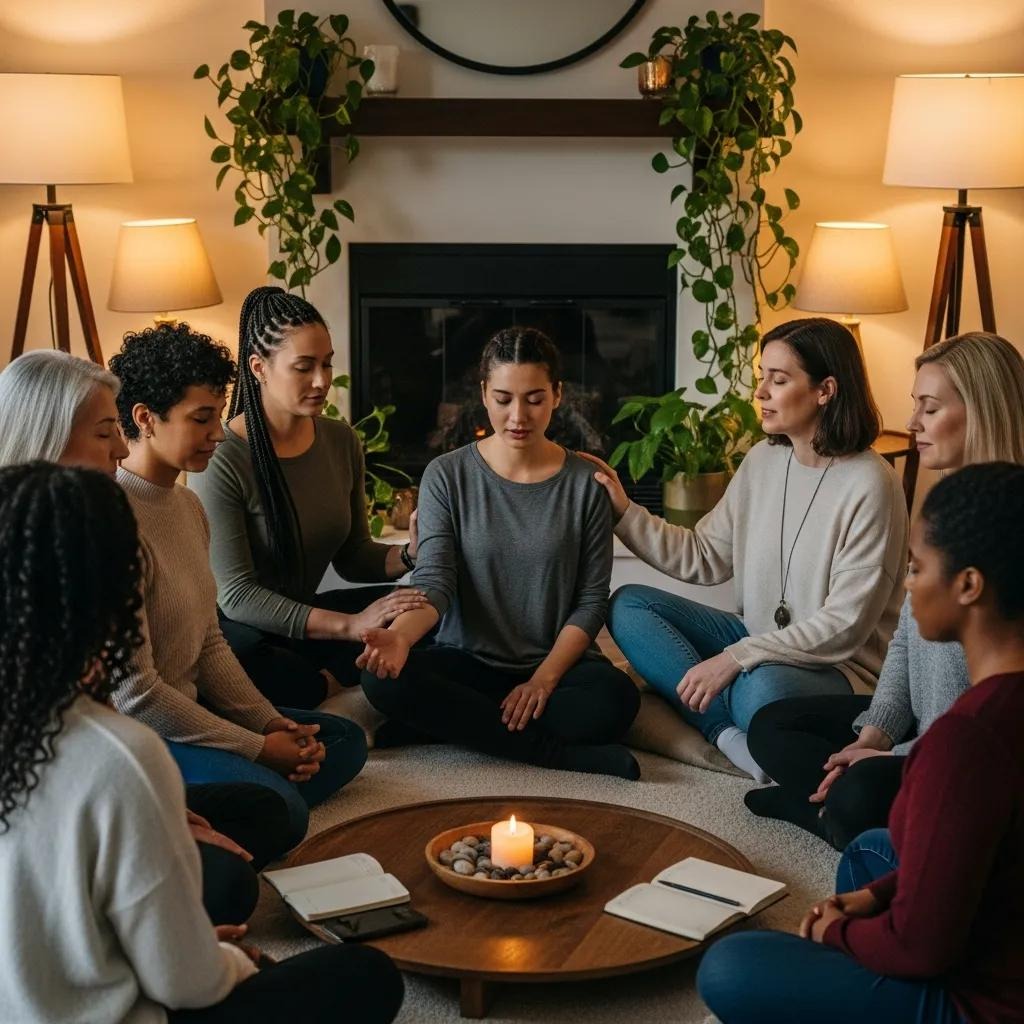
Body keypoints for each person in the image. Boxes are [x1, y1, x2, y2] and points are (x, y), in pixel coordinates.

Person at [0, 462, 404, 1024]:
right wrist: (228, 959)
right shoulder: (117, 754)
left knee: (279, 789)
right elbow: (183, 982)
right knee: (366, 976)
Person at [698, 461, 1024, 1024]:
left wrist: (837, 932)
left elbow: (921, 949)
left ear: (969, 585)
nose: (908, 583)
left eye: (918, 568)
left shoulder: (965, 740)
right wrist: (877, 899)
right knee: (865, 857)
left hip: (981, 1006)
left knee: (728, 966)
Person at [0, 349, 292, 923]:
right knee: (237, 879)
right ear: (47, 435)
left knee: (273, 803)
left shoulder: (104, 527)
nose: (119, 448)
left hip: (100, 778)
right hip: (48, 817)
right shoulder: (31, 555)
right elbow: (111, 713)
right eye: (106, 432)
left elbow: (113, 697)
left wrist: (169, 809)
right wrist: (150, 809)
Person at [580, 318, 908, 779]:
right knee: (630, 606)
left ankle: (707, 708)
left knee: (761, 692)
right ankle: (730, 738)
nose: (761, 392)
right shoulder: (762, 460)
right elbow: (705, 556)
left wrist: (733, 659)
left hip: (841, 669)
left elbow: (845, 626)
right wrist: (623, 510)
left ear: (825, 390)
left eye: (779, 379)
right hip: (757, 641)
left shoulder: (871, 483)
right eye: (762, 377)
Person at [745, 332, 1024, 849]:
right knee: (771, 726)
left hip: (963, 756)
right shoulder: (942, 504)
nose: (913, 422)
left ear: (982, 411)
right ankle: (844, 810)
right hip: (918, 728)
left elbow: (986, 731)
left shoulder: (1005, 531)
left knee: (859, 794)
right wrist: (876, 732)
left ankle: (828, 815)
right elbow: (905, 639)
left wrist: (893, 757)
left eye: (930, 408)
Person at [107, 323, 368, 849]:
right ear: (144, 418)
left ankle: (202, 801)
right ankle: (162, 814)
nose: (219, 434)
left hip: (195, 708)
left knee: (340, 740)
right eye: (201, 419)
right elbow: (134, 693)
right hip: (144, 734)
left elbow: (209, 641)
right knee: (284, 812)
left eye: (217, 416)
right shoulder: (111, 520)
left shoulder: (187, 507)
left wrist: (269, 723)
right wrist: (255, 747)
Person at [358, 327, 642, 778]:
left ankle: (456, 726)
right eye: (504, 398)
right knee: (381, 680)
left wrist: (542, 681)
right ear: (485, 393)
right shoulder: (445, 476)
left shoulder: (585, 485)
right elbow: (435, 582)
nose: (518, 416)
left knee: (616, 701)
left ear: (558, 395)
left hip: (556, 664)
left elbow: (590, 603)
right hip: (467, 661)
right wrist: (401, 637)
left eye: (534, 398)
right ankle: (556, 755)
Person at [190, 286, 428, 710]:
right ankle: (332, 683)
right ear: (259, 367)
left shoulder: (340, 440)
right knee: (248, 664)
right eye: (304, 367)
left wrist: (410, 554)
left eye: (327, 364)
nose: (321, 380)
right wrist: (352, 625)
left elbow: (353, 554)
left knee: (424, 608)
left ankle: (331, 680)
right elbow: (238, 597)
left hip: (305, 617)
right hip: (235, 630)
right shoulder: (224, 454)